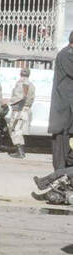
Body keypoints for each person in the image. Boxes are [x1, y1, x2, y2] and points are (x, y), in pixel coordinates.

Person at [35, 31, 73, 190]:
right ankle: (57, 184)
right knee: (61, 155)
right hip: (63, 115)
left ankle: (59, 183)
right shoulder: (66, 55)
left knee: (68, 155)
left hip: (68, 115)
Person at [6, 68, 36, 159]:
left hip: (19, 109)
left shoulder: (22, 83)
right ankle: (20, 150)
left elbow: (21, 96)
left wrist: (8, 101)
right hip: (26, 109)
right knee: (18, 129)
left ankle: (20, 152)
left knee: (15, 129)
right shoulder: (31, 84)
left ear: (20, 74)